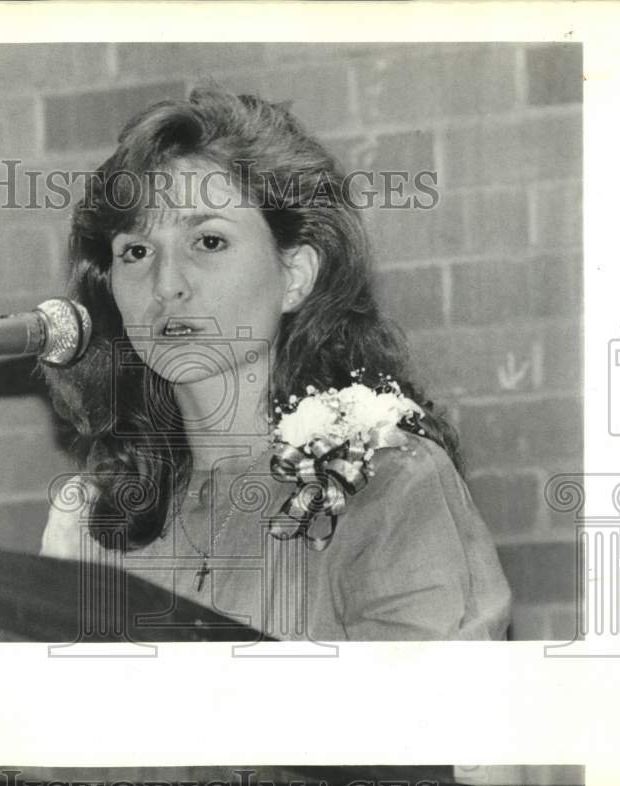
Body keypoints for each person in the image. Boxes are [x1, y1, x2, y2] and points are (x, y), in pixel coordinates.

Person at [39, 86, 511, 641]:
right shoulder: (106, 520)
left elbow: (423, 718)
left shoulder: (388, 483)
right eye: (136, 252)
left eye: (208, 241)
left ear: (296, 275)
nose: (166, 285)